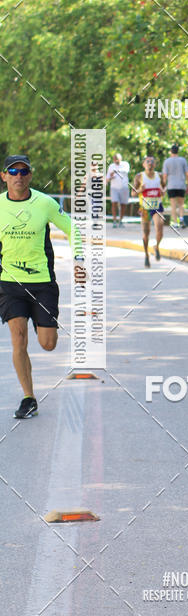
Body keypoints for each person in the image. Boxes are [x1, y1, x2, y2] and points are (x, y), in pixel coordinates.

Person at [0, 154, 83, 418]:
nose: (19, 176)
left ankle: (41, 322)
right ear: (4, 176)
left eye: (24, 172)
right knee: (18, 339)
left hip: (42, 282)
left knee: (48, 343)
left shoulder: (45, 203)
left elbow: (73, 228)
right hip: (9, 282)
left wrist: (79, 260)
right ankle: (28, 397)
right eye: (13, 171)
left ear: (31, 176)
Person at [133, 157, 164, 267]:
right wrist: (140, 190)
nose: (150, 163)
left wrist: (162, 192)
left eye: (152, 162)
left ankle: (156, 246)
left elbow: (163, 189)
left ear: (155, 164)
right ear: (143, 164)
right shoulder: (139, 176)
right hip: (145, 207)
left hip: (157, 205)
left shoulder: (159, 175)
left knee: (160, 226)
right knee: (146, 233)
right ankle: (146, 255)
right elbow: (133, 193)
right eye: (148, 162)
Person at [162, 144, 188, 229]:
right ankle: (181, 219)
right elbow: (187, 174)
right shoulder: (183, 160)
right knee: (181, 204)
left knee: (173, 205)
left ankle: (175, 222)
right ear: (178, 151)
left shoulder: (167, 161)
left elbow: (165, 175)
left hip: (171, 185)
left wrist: (163, 186)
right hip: (181, 184)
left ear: (171, 151)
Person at [106, 152, 130, 227]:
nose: (116, 161)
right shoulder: (111, 166)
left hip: (124, 187)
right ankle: (114, 220)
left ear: (120, 159)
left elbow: (126, 171)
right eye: (115, 160)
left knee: (123, 204)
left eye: (117, 160)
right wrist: (110, 177)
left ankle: (121, 220)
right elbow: (107, 178)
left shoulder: (125, 164)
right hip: (114, 188)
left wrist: (116, 171)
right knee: (114, 203)